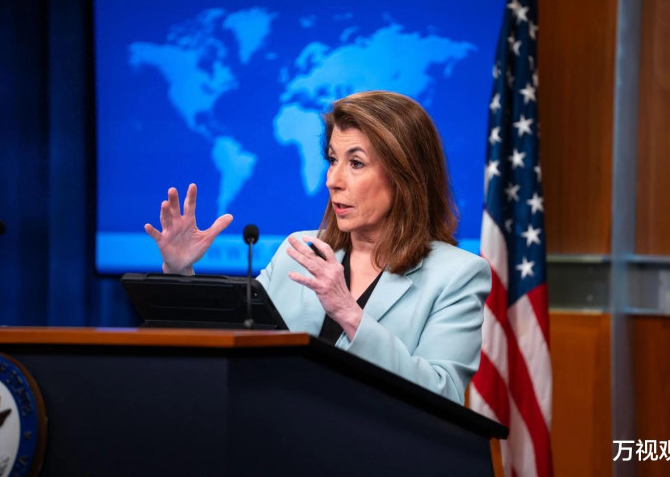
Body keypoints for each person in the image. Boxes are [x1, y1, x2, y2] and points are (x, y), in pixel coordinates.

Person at [145, 91, 491, 404]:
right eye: (332, 160)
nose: (332, 180)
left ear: (405, 175)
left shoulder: (457, 274)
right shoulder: (299, 250)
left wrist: (350, 314)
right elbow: (232, 346)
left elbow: (443, 393)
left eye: (356, 163)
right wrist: (179, 273)